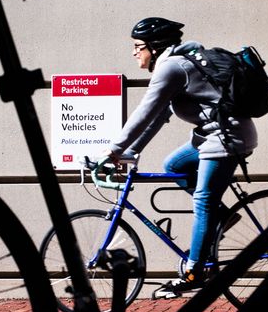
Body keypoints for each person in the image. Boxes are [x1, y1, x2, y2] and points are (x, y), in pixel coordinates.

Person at [102, 17, 258, 297]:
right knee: (174, 164)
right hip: (213, 135)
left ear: (155, 46)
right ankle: (222, 219)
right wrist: (131, 151)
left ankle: (194, 272)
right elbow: (158, 117)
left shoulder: (173, 67)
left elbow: (145, 111)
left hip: (226, 137)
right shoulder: (176, 65)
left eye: (138, 46)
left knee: (203, 200)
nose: (134, 52)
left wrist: (113, 149)